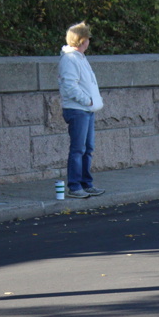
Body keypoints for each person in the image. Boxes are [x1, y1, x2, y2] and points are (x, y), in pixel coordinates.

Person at [58, 22, 105, 199]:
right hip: (78, 109)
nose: (89, 42)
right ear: (82, 40)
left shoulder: (80, 58)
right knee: (78, 149)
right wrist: (88, 100)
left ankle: (86, 183)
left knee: (87, 148)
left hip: (86, 109)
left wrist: (91, 102)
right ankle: (75, 186)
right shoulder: (70, 59)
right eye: (87, 39)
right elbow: (70, 86)